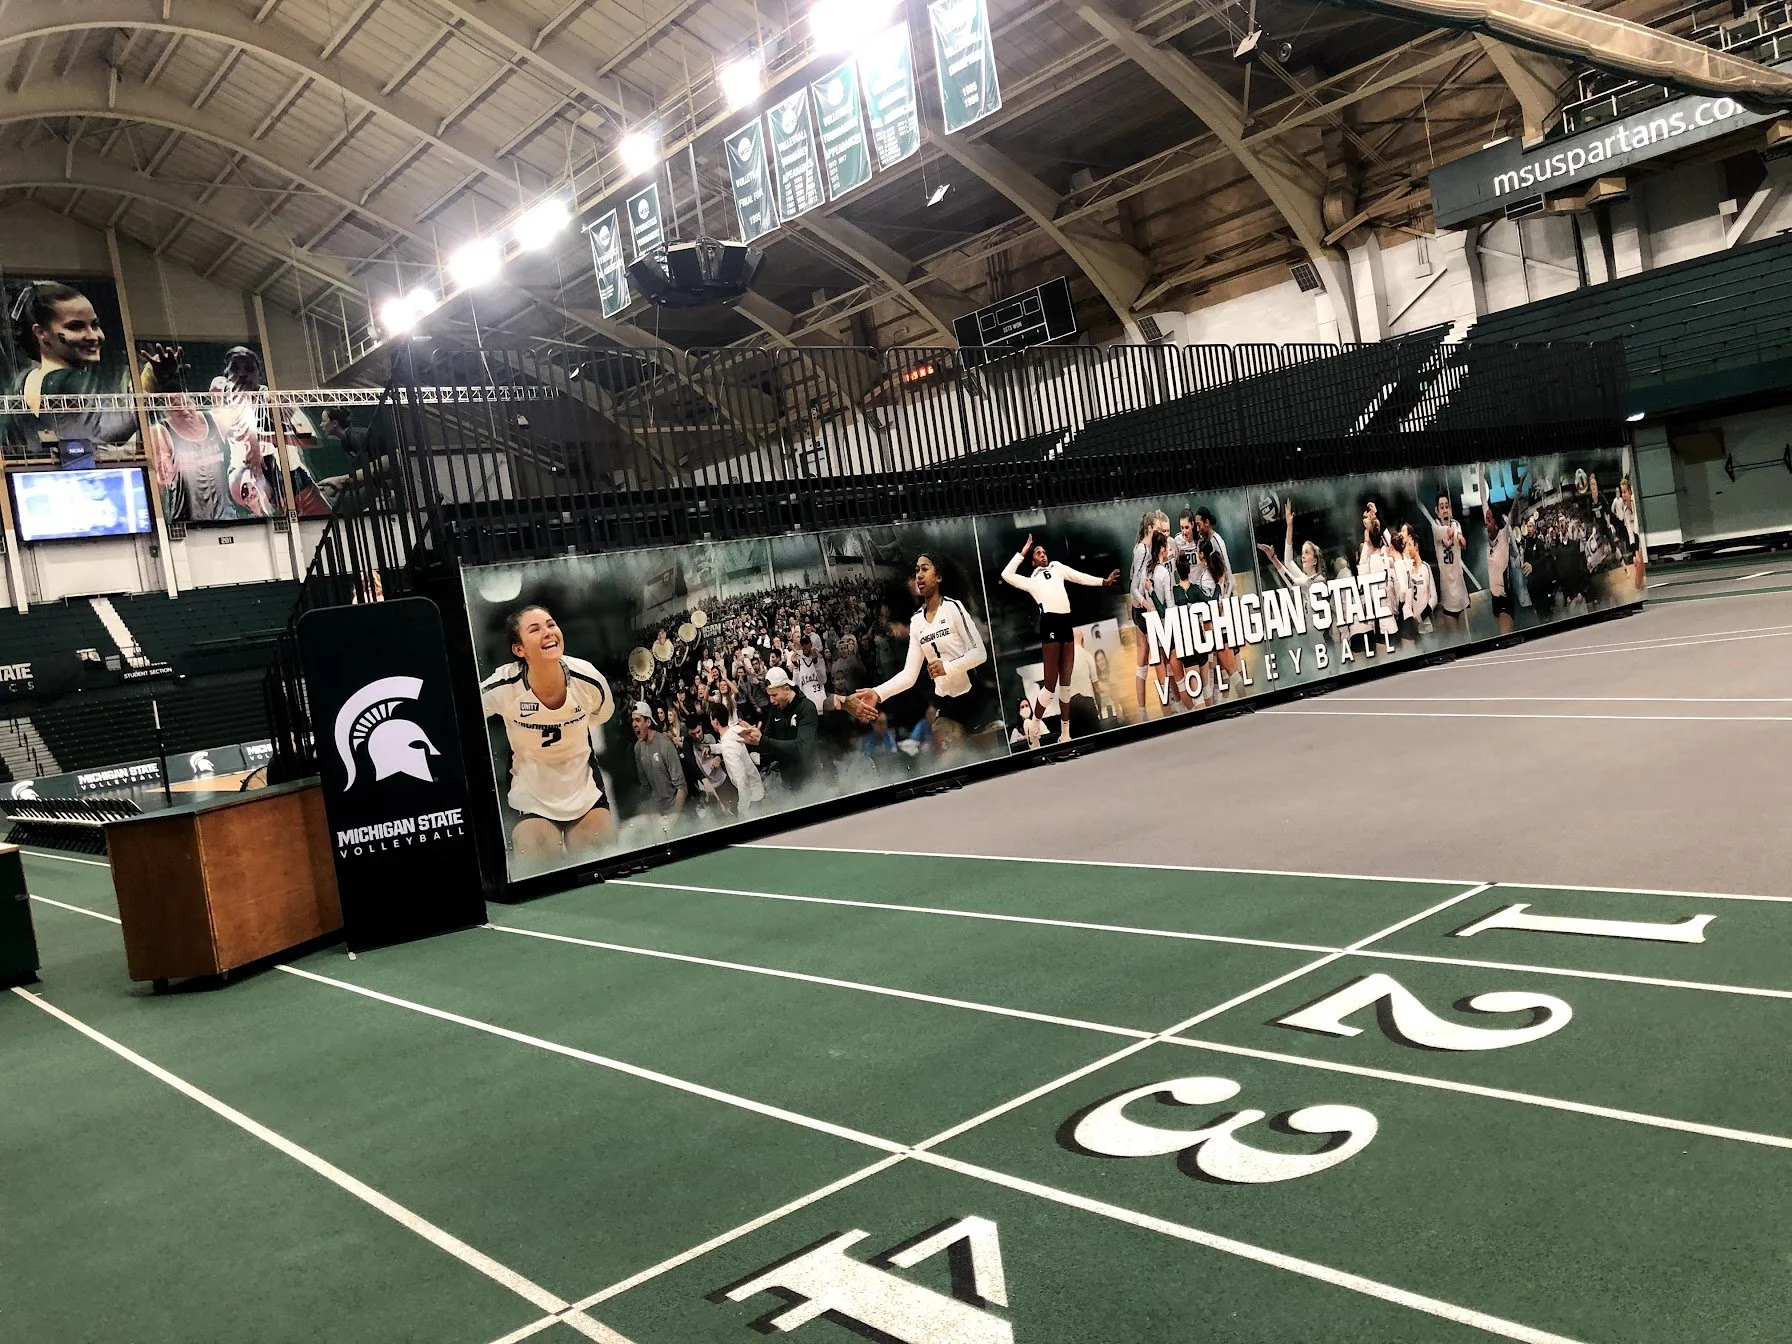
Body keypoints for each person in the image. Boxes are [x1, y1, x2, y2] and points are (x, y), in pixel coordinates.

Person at [480, 604, 617, 865]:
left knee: (601, 863)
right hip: (530, 796)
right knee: (539, 865)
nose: (548, 632)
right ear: (519, 650)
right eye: (535, 629)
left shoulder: (588, 679)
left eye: (551, 624)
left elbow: (602, 715)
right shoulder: (504, 686)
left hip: (584, 791)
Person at [847, 554, 991, 732]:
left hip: (972, 698)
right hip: (943, 704)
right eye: (916, 571)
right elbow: (909, 674)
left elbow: (979, 654)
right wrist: (878, 693)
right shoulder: (916, 621)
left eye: (925, 569)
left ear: (938, 577)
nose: (919, 576)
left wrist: (947, 667)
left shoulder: (953, 607)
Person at [1001, 532, 1119, 743]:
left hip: (1066, 623)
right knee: (1049, 685)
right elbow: (1006, 574)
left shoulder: (1057, 567)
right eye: (1038, 553)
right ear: (1032, 561)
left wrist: (1103, 582)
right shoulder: (1031, 581)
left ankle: (1065, 734)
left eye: (1044, 551)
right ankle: (1035, 725)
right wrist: (1023, 551)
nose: (1042, 554)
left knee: (1066, 685)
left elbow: (1079, 576)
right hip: (1050, 623)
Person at [739, 665, 819, 794]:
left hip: (808, 778)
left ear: (786, 689)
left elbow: (802, 747)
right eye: (769, 695)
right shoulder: (776, 708)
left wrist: (763, 741)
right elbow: (767, 739)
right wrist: (754, 740)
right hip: (787, 777)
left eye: (774, 695)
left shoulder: (806, 708)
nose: (771, 700)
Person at [1419, 490, 1470, 633]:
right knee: (1454, 638)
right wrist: (1453, 533)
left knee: (1466, 635)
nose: (1445, 510)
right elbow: (1446, 532)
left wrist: (1461, 539)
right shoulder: (1435, 525)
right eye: (1441, 507)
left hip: (1461, 592)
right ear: (1437, 511)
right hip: (1447, 595)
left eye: (1447, 506)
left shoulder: (1456, 524)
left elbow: (1460, 537)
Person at [631, 701, 687, 825]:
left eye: (638, 720)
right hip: (657, 815)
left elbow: (682, 788)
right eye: (633, 721)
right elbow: (645, 786)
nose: (634, 724)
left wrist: (673, 818)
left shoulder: (665, 745)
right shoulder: (637, 748)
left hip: (675, 813)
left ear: (648, 722)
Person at [1256, 498, 1323, 594]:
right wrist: (1289, 525)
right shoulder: (1306, 579)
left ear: (1315, 561)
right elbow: (1288, 562)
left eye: (1307, 552)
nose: (1303, 556)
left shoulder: (1318, 580)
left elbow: (1293, 583)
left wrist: (1273, 559)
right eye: (1303, 552)